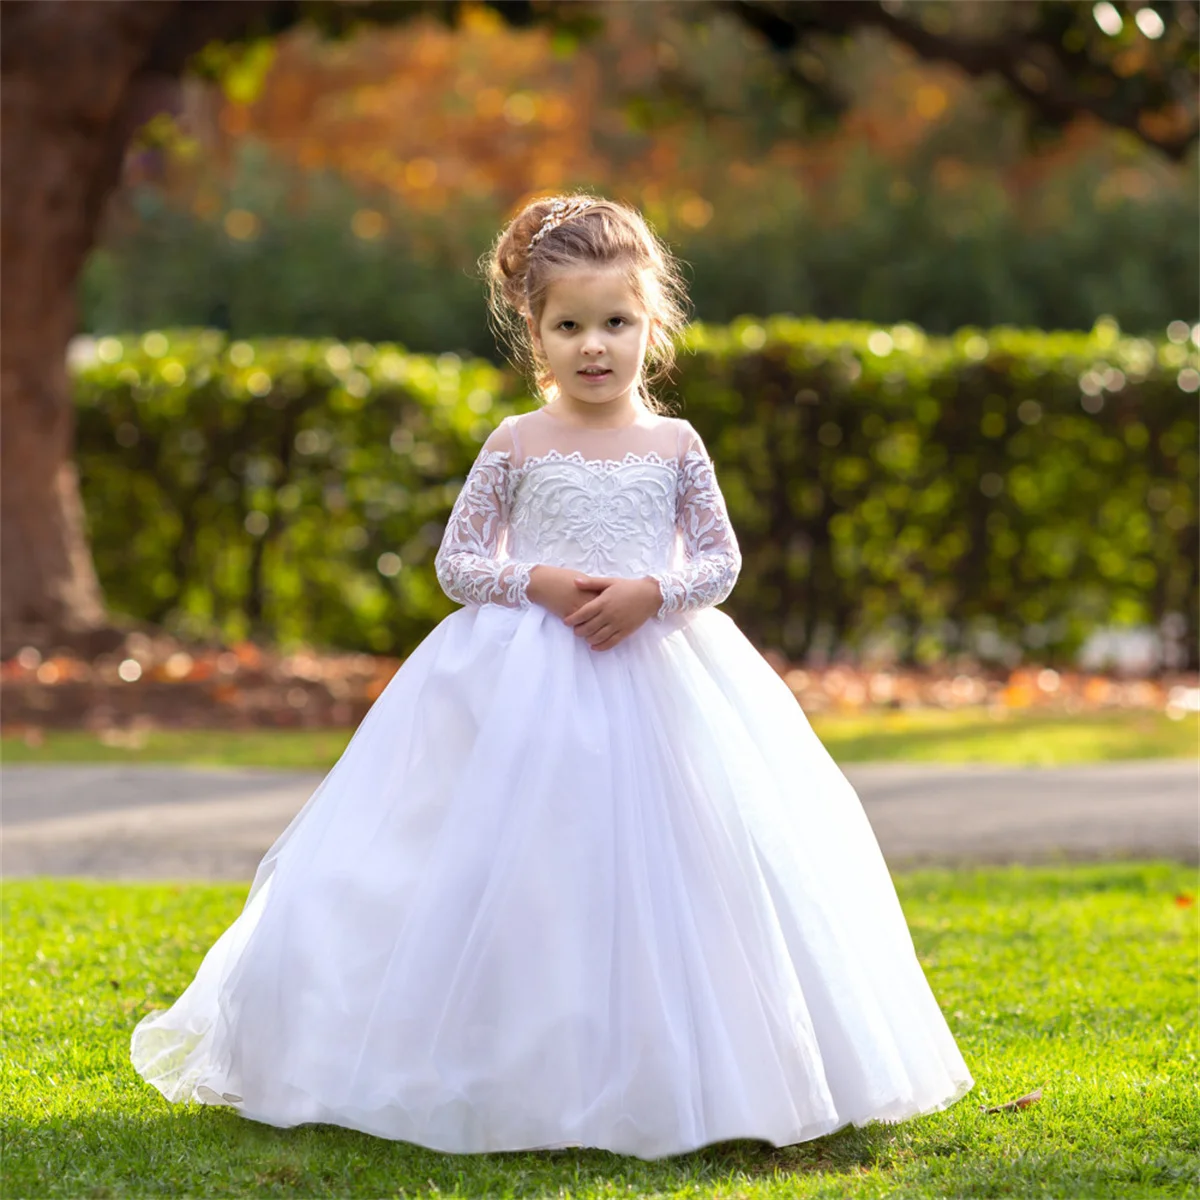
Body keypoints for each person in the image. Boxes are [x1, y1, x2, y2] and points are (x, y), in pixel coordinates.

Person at [130, 193, 974, 1159]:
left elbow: (720, 563)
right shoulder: (517, 444)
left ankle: (701, 1070)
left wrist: (653, 593)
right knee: (506, 865)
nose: (594, 346)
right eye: (569, 326)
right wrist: (532, 579)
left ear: (653, 326)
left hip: (662, 676)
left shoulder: (676, 447)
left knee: (683, 866)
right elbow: (457, 564)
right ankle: (483, 1059)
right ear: (533, 332)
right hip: (517, 679)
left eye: (616, 322)